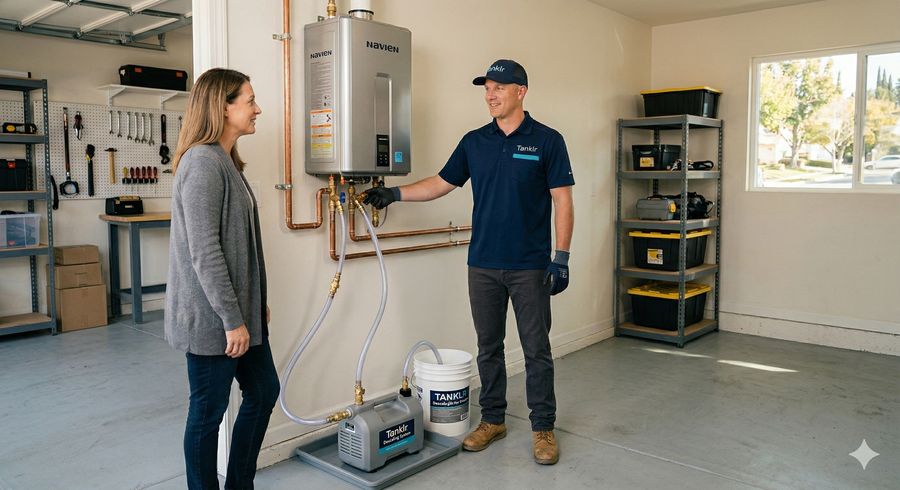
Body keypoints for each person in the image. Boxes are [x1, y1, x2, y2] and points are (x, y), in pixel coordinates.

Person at [364, 59, 574, 465]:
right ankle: (493, 419)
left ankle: (543, 427)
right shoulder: (475, 141)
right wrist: (395, 194)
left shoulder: (548, 140)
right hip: (483, 264)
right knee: (488, 348)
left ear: (521, 91)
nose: (490, 95)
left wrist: (560, 257)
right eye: (486, 88)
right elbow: (441, 183)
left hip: (530, 266)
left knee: (536, 350)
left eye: (498, 88)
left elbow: (562, 199)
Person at [165, 68, 278, 489]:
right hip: (213, 320)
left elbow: (239, 246)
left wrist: (253, 302)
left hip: (238, 315)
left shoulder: (225, 162)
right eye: (249, 100)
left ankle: (239, 484)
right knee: (207, 414)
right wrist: (233, 317)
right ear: (224, 107)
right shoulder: (201, 164)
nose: (257, 108)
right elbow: (205, 252)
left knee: (264, 391)